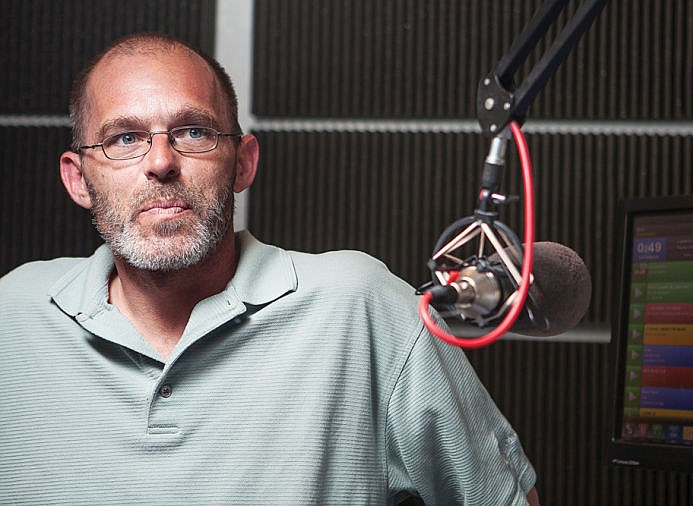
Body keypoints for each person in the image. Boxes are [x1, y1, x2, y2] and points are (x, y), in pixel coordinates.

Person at [0, 33, 539, 504]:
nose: (161, 162)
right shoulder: (12, 313)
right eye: (125, 139)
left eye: (192, 132)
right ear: (77, 180)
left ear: (243, 162)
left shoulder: (362, 306)